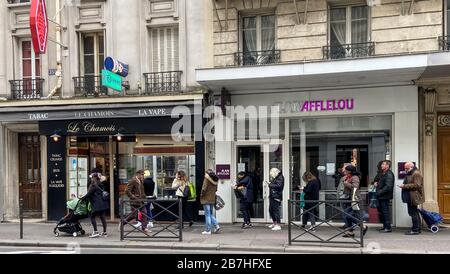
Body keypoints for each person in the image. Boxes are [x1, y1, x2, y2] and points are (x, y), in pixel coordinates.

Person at [342, 165, 368, 237]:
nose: (345, 171)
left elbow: (355, 187)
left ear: (349, 171)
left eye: (346, 170)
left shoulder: (355, 177)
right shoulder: (348, 177)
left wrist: (346, 183)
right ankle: (350, 231)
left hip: (354, 199)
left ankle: (363, 227)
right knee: (346, 215)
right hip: (347, 199)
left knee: (349, 215)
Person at [399, 162, 424, 235]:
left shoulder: (416, 173)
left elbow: (417, 185)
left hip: (413, 196)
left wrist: (404, 186)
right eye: (405, 168)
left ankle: (415, 229)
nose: (405, 170)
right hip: (411, 195)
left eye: (407, 168)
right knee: (414, 212)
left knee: (413, 213)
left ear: (412, 167)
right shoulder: (411, 173)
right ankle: (417, 228)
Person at [82, 172, 109, 238]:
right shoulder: (100, 184)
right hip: (103, 202)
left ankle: (96, 232)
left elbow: (89, 194)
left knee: (92, 216)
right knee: (102, 217)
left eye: (91, 178)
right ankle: (105, 232)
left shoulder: (94, 185)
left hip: (96, 203)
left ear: (93, 178)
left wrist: (82, 198)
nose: (91, 179)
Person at [374, 160, 394, 233]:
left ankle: (388, 227)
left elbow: (388, 186)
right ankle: (385, 226)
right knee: (382, 212)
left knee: (385, 212)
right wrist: (376, 183)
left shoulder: (389, 174)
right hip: (381, 196)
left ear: (387, 166)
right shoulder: (383, 173)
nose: (381, 165)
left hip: (384, 196)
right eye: (382, 164)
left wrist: (379, 192)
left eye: (383, 164)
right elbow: (380, 182)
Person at [200, 169, 220, 235]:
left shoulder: (206, 179)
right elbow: (216, 189)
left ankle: (208, 230)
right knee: (210, 214)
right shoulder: (215, 180)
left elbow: (204, 188)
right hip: (212, 198)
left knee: (207, 215)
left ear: (207, 173)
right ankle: (216, 225)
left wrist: (201, 194)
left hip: (206, 198)